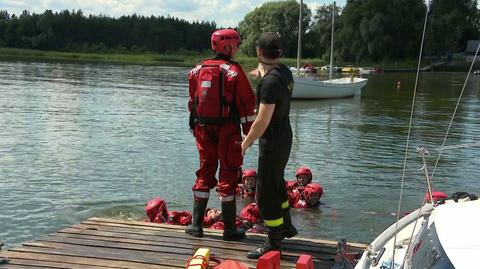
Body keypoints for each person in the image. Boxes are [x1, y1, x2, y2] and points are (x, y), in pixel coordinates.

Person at [186, 28, 256, 242]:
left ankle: (196, 226)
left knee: (205, 171)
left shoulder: (197, 69)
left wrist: (194, 122)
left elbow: (192, 100)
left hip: (203, 129)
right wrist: (249, 133)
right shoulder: (233, 70)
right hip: (227, 130)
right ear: (228, 46)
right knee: (228, 173)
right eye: (236, 45)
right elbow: (247, 103)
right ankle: (229, 230)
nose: (237, 49)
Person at [241, 32, 297, 259]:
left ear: (258, 52)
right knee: (277, 182)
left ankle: (273, 241)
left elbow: (262, 121)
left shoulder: (270, 82)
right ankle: (286, 226)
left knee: (265, 193)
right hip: (285, 135)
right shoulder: (284, 73)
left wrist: (245, 143)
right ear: (280, 53)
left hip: (272, 140)